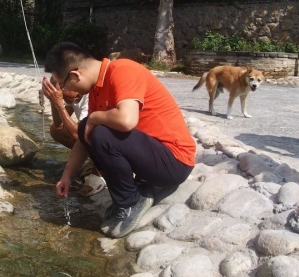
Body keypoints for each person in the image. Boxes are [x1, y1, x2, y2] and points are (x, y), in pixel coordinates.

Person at [44, 42, 196, 238]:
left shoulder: (123, 70)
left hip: (174, 162)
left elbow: (126, 120)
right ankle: (134, 194)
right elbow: (83, 139)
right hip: (151, 160)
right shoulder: (96, 89)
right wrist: (67, 176)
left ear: (75, 75)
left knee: (100, 133)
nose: (65, 90)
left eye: (64, 85)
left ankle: (130, 202)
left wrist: (94, 118)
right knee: (86, 128)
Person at [42, 77, 106, 197]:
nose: (58, 92)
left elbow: (78, 135)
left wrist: (59, 104)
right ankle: (93, 160)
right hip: (91, 135)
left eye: (61, 88)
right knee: (55, 131)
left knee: (93, 135)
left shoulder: (88, 97)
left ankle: (99, 172)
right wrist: (53, 101)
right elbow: (58, 125)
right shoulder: (73, 98)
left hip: (107, 137)